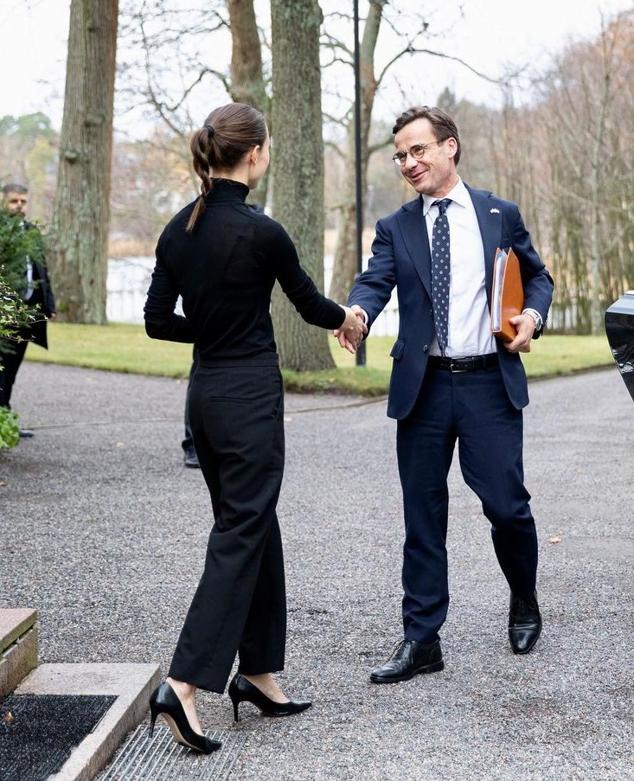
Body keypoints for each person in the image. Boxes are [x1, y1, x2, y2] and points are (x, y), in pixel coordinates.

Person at [144, 102, 365, 754]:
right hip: (248, 401)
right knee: (242, 529)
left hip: (205, 400)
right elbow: (307, 300)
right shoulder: (261, 232)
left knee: (253, 520)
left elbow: (157, 320)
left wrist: (207, 330)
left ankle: (260, 673)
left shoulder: (177, 230)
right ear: (256, 155)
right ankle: (183, 683)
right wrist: (348, 319)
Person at [336, 106, 554, 684]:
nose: (408, 163)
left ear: (449, 147)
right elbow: (374, 281)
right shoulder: (396, 227)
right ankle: (422, 640)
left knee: (508, 507)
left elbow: (539, 276)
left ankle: (524, 598)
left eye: (418, 150)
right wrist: (357, 313)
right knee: (422, 517)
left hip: (488, 381)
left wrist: (532, 314)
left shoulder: (497, 214)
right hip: (425, 388)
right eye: (400, 155)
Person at [0, 183, 56, 436]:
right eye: (14, 201)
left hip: (29, 311)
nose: (19, 206)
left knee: (12, 368)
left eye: (23, 201)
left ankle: (6, 415)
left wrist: (49, 305)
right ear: (3, 202)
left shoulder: (32, 231)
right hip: (4, 312)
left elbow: (41, 270)